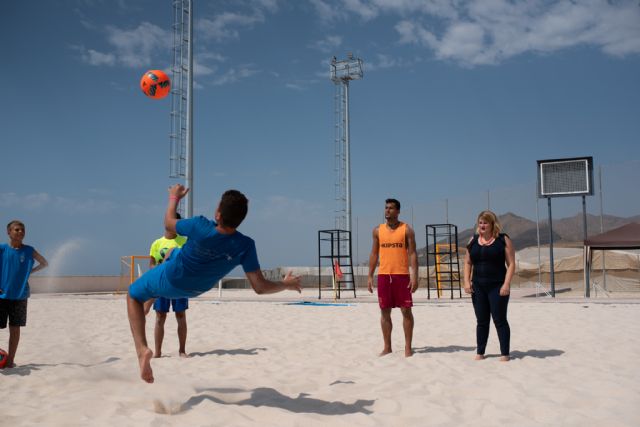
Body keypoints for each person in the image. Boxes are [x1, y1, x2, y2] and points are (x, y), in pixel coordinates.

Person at [127, 184, 302, 383]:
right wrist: (285, 284)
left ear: (218, 214)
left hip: (172, 278)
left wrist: (174, 198)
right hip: (197, 289)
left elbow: (168, 224)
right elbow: (260, 287)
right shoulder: (245, 245)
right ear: (240, 220)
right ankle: (156, 290)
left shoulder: (200, 225)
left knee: (133, 295)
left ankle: (142, 350)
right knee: (174, 254)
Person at [367, 199, 419, 357]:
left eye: (391, 208)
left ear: (398, 211)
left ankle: (408, 347)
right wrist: (370, 275)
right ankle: (387, 346)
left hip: (402, 275)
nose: (387, 211)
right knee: (384, 312)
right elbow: (374, 254)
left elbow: (412, 253)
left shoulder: (407, 230)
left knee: (406, 311)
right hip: (384, 275)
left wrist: (414, 275)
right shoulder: (377, 230)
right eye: (386, 208)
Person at [463, 210, 516, 362]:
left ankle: (505, 353)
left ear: (493, 224)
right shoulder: (472, 240)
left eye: (485, 222)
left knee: (499, 320)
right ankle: (480, 352)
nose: (482, 225)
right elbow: (467, 263)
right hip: (478, 287)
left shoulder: (502, 239)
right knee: (481, 320)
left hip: (497, 286)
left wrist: (506, 284)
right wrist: (466, 282)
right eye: (480, 222)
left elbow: (511, 264)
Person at [0, 220, 48, 368]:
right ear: (9, 232)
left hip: (20, 295)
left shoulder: (29, 250)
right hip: (1, 295)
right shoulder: (2, 249)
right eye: (16, 230)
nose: (20, 232)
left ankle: (10, 361)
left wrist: (29, 272)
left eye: (22, 230)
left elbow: (44, 263)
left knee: (15, 329)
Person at [147, 213, 189, 359]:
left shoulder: (184, 241)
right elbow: (151, 264)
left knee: (181, 315)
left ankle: (182, 350)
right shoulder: (156, 243)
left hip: (179, 284)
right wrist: (156, 272)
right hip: (161, 284)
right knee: (160, 317)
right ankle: (158, 352)